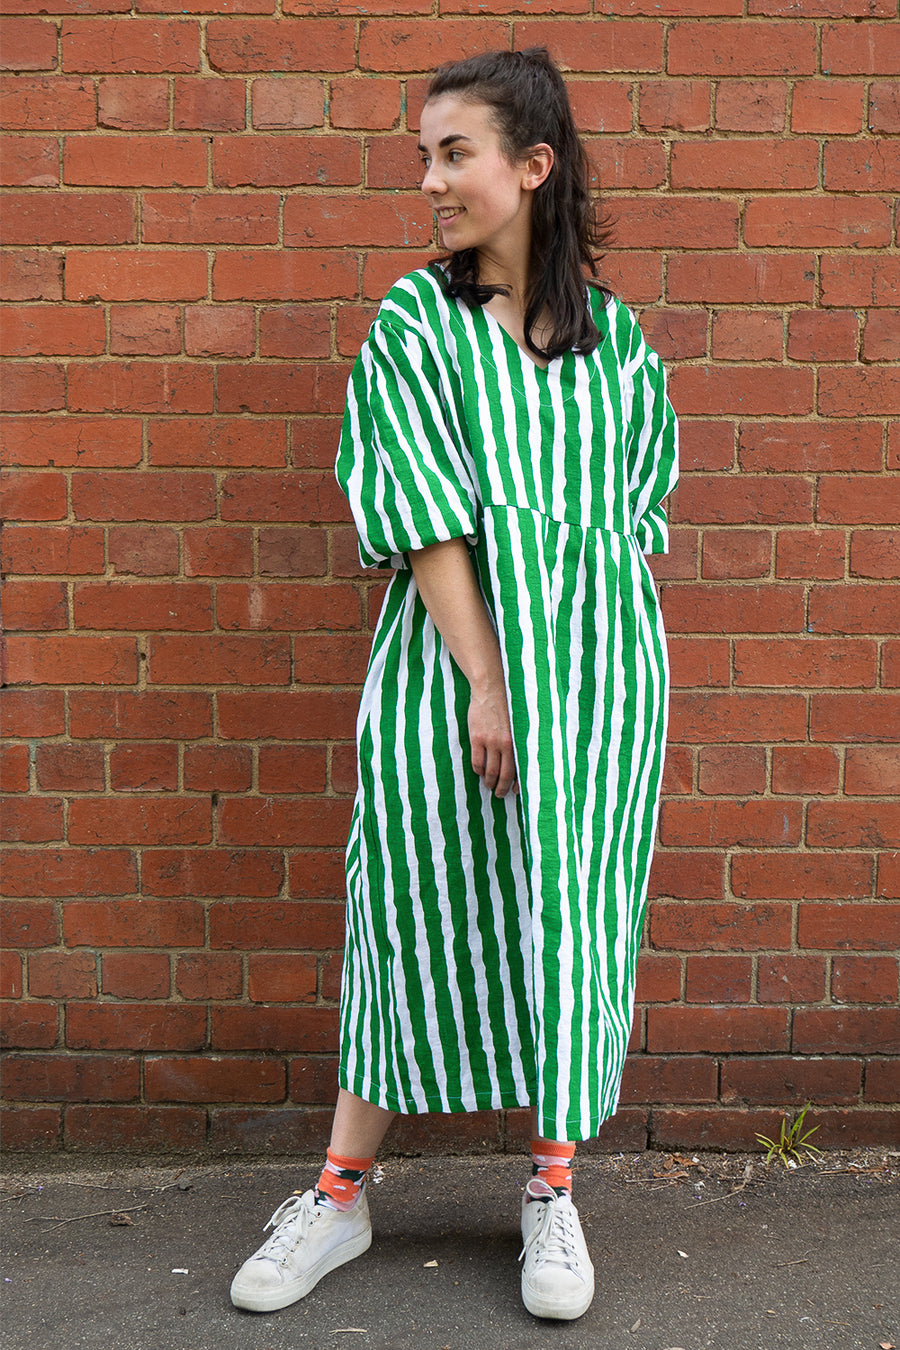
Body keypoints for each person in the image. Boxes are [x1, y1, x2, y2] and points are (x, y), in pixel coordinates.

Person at [230, 46, 677, 1323]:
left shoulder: (619, 344)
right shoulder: (416, 325)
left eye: (454, 153)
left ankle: (550, 1184)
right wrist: (489, 680)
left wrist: (584, 677)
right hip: (447, 674)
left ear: (533, 167)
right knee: (413, 903)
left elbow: (635, 512)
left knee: (570, 912)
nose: (430, 180)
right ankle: (338, 1193)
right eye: (424, 155)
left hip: (597, 684)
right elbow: (420, 510)